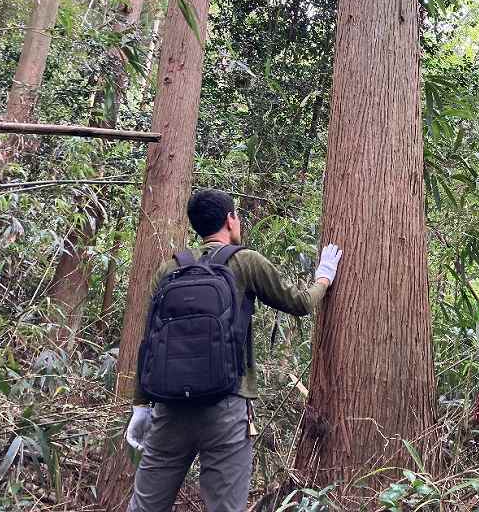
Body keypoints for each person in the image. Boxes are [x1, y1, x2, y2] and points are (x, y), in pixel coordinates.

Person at [125, 188, 343, 512]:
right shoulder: (245, 262)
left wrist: (141, 406)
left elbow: (149, 341)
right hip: (226, 407)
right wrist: (323, 278)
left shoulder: (169, 269)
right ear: (230, 220)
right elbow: (299, 303)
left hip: (169, 409)